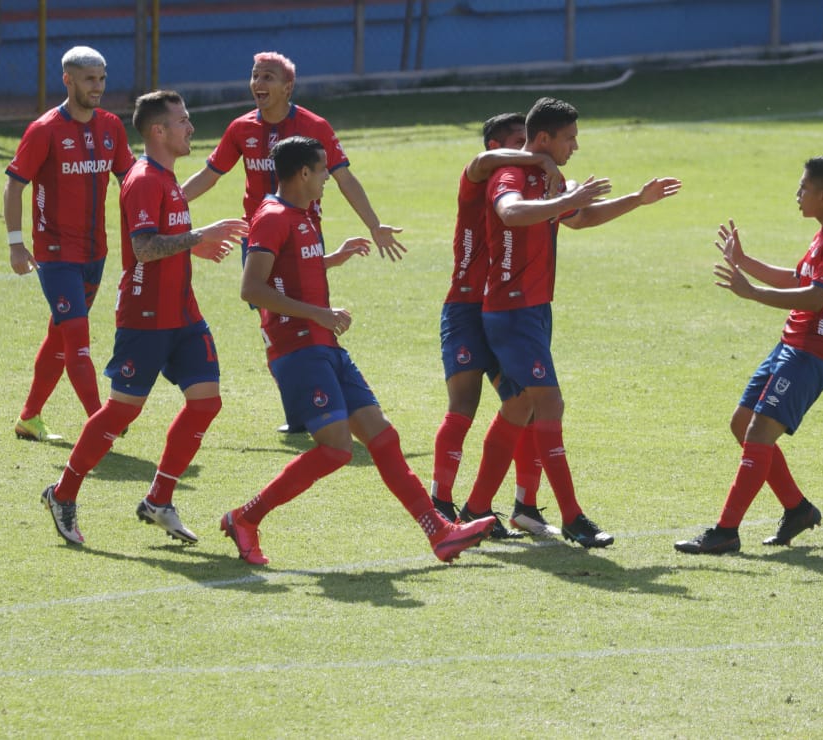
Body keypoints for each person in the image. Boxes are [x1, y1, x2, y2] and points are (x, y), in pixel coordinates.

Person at [219, 136, 496, 565]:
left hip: (324, 345)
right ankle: (245, 517)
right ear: (304, 173)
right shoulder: (272, 217)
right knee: (336, 449)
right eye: (324, 169)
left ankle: (440, 534)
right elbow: (251, 288)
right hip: (298, 349)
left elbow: (293, 267)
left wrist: (332, 259)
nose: (329, 177)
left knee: (383, 438)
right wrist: (321, 313)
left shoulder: (302, 215)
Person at [457, 96, 682, 549]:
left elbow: (580, 218)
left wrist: (637, 199)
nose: (575, 146)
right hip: (512, 310)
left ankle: (476, 509)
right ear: (544, 139)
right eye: (570, 137)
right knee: (550, 405)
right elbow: (509, 212)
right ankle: (574, 517)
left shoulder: (546, 177)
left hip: (535, 309)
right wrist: (568, 197)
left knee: (520, 407)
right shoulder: (512, 175)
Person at [40, 90, 249, 546]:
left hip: (183, 313)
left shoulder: (168, 177)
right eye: (183, 121)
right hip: (146, 316)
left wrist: (196, 243)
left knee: (206, 401)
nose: (190, 128)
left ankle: (159, 499)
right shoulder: (143, 180)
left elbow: (167, 237)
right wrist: (198, 235)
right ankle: (62, 492)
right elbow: (144, 248)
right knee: (120, 413)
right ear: (159, 131)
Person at [182, 51, 405, 434]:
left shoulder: (313, 125)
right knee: (274, 323)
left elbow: (345, 178)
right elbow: (211, 173)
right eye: (254, 76)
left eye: (267, 77)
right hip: (262, 240)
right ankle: (303, 408)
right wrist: (169, 202)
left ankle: (318, 404)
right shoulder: (240, 128)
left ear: (288, 87)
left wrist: (374, 225)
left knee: (309, 317)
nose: (258, 84)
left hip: (304, 235)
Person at [675, 156, 823, 555]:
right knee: (742, 423)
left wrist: (752, 293)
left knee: (758, 434)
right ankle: (797, 509)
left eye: (803, 189)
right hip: (789, 347)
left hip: (811, 355)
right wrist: (744, 262)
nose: (797, 195)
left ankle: (725, 531)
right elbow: (799, 279)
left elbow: (815, 297)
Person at [431, 112, 566, 538]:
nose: (527, 151)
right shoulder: (480, 176)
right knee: (464, 404)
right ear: (496, 147)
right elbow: (479, 161)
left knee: (525, 403)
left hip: (503, 308)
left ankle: (522, 506)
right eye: (518, 142)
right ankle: (440, 502)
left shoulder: (519, 184)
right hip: (465, 306)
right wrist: (541, 161)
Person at [5, 46, 135, 442]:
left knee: (60, 335)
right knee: (77, 339)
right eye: (89, 79)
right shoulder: (44, 130)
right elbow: (14, 186)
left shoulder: (111, 126)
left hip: (96, 253)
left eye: (102, 79)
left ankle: (29, 417)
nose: (97, 87)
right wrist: (16, 243)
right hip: (56, 255)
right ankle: (101, 423)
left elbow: (130, 181)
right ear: (68, 80)